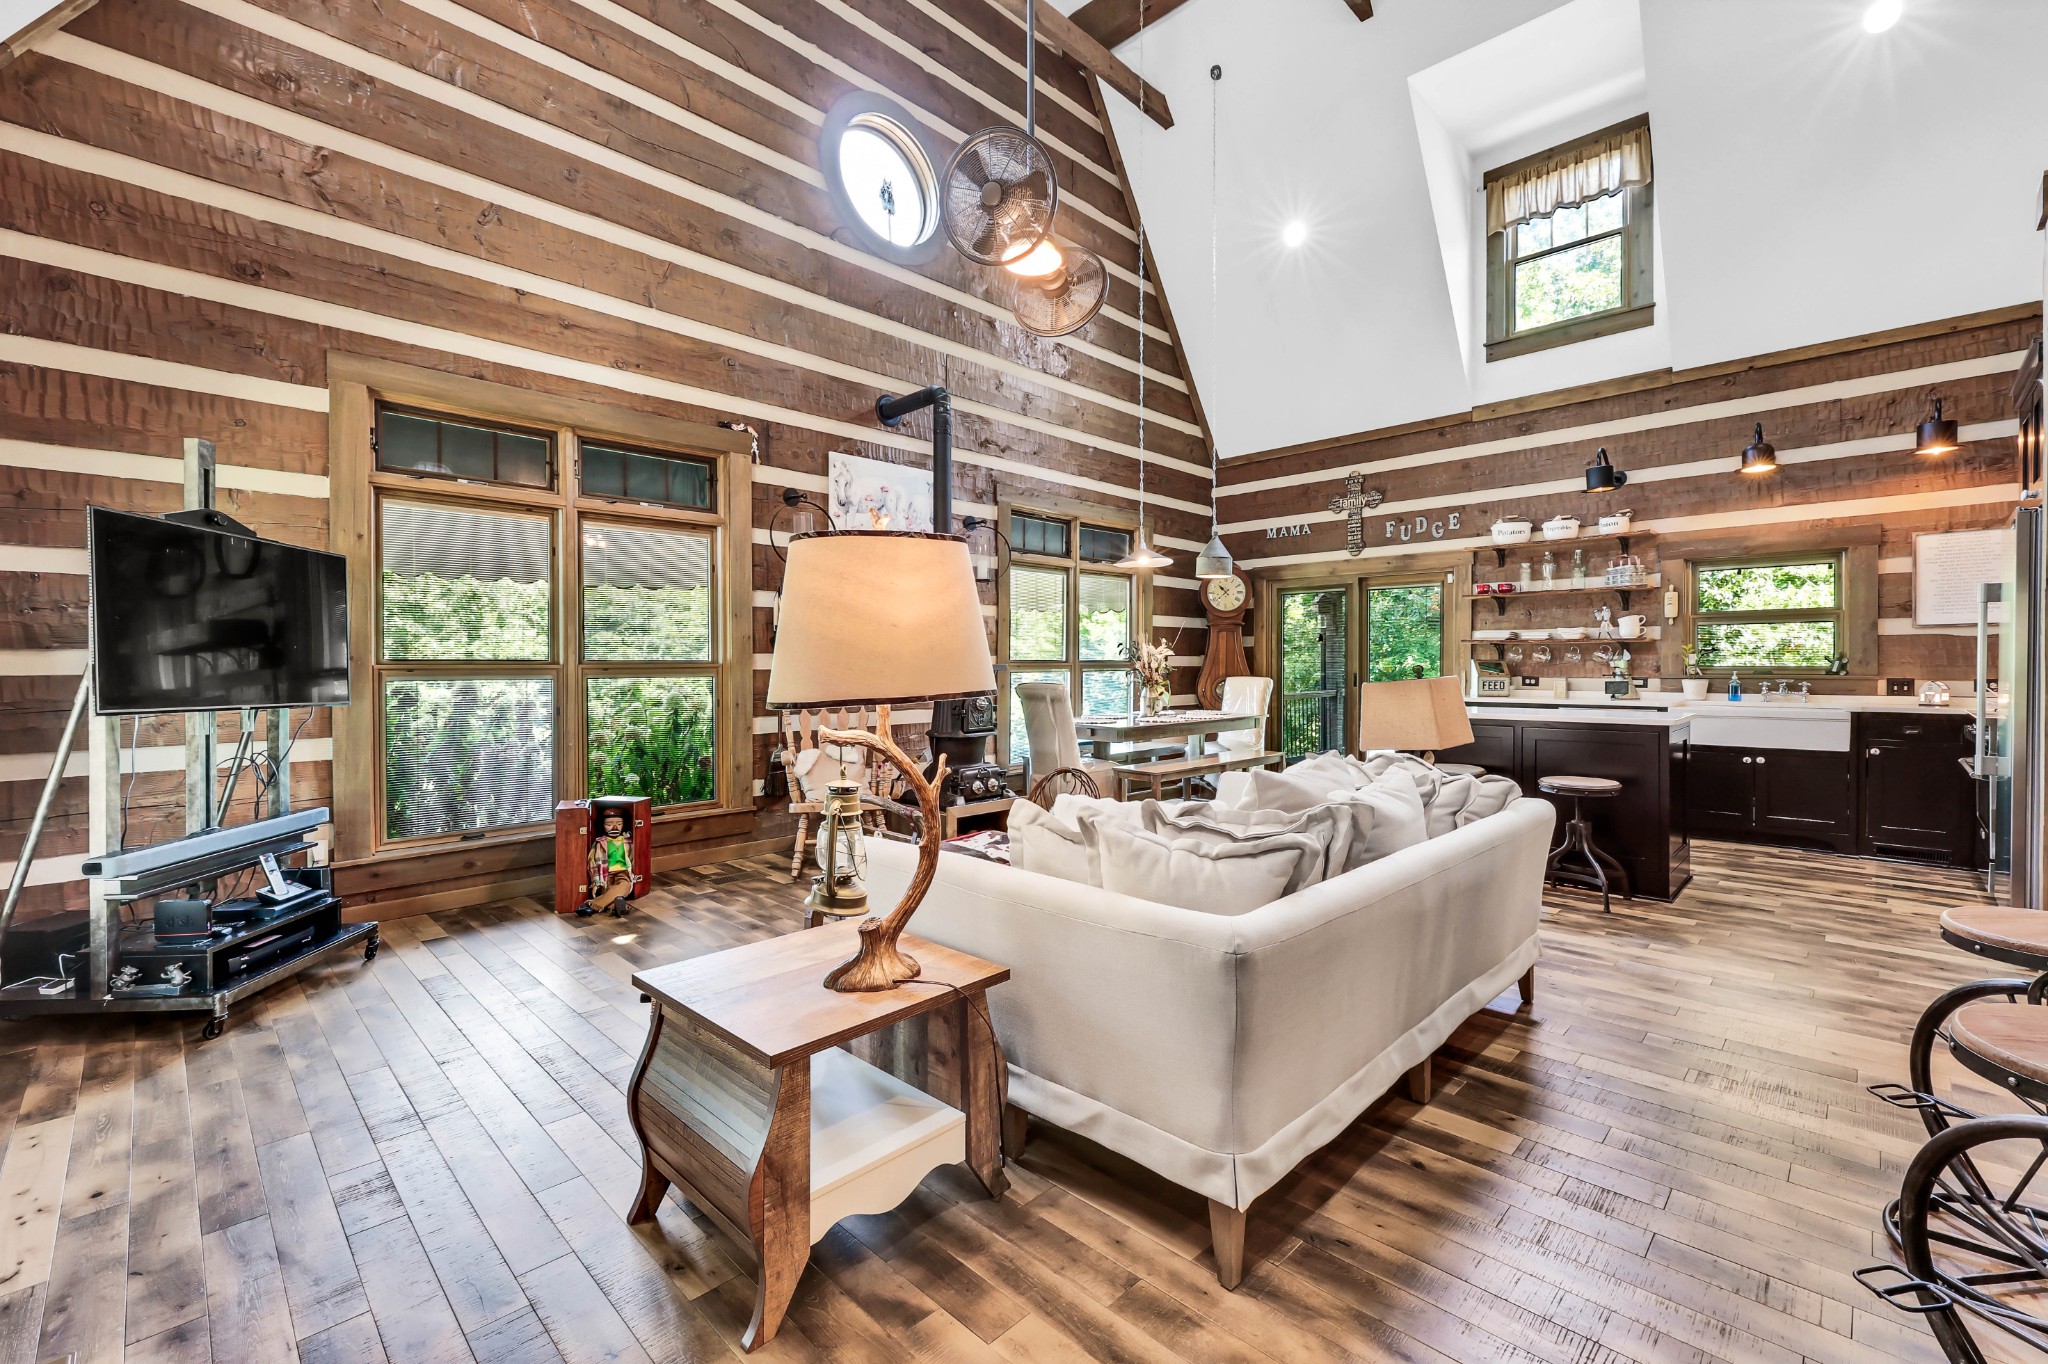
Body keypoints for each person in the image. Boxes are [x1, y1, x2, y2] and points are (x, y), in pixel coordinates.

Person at [578, 807, 636, 918]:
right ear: (603, 825)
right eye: (609, 824)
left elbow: (635, 859)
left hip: (623, 872)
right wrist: (596, 882)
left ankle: (592, 905)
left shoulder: (628, 842)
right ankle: (619, 906)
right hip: (605, 874)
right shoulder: (600, 843)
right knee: (609, 891)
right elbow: (592, 863)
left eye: (619, 823)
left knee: (625, 885)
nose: (615, 827)